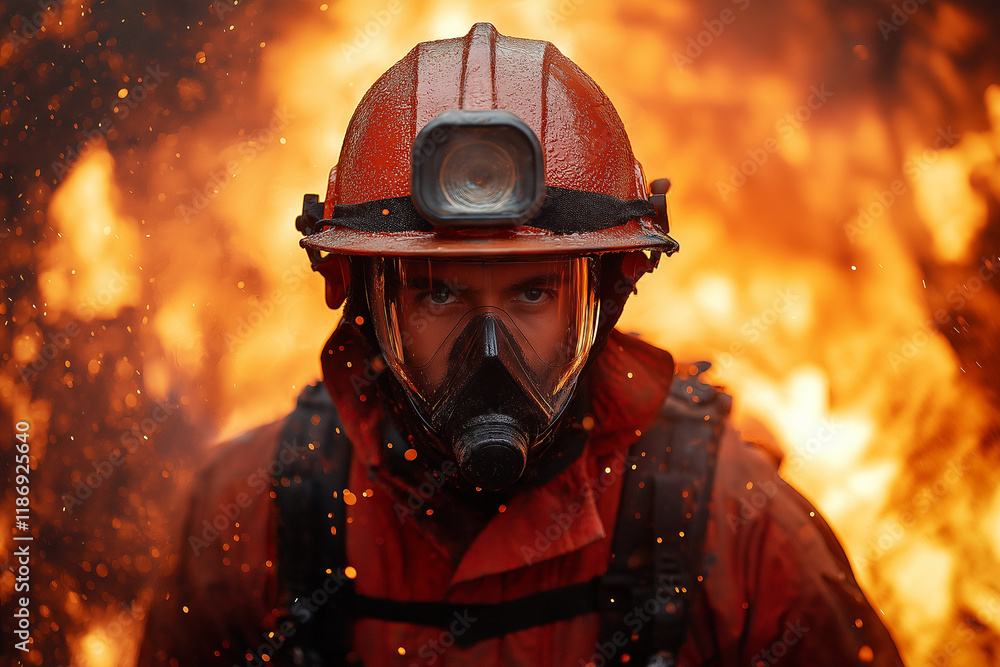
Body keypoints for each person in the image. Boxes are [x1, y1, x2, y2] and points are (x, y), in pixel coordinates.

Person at [138, 23, 905, 667]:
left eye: (535, 290)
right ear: (368, 304)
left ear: (606, 296)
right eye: (439, 291)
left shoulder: (733, 526)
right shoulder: (260, 517)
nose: (490, 353)